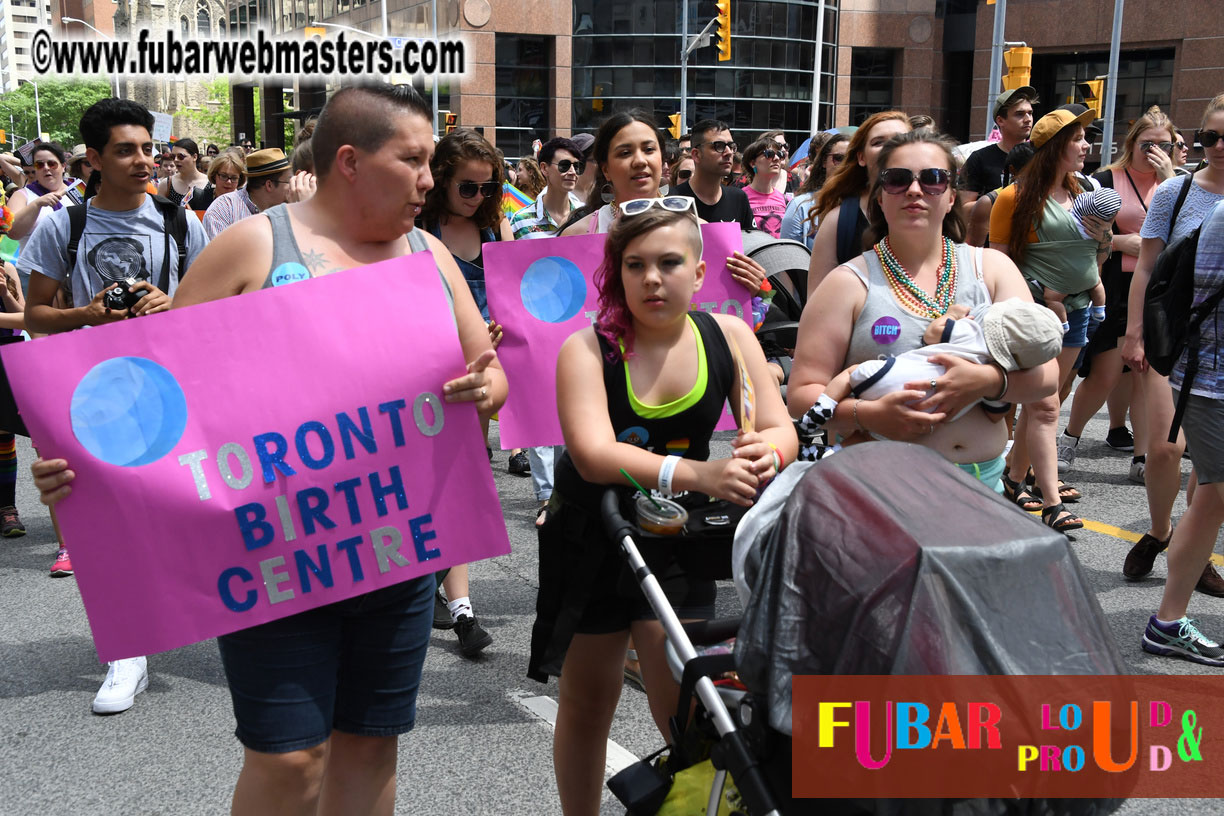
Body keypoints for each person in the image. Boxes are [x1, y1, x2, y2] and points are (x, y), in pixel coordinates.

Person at [35, 83, 507, 814]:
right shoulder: (255, 244)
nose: (429, 179)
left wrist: (484, 389)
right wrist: (81, 465)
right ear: (350, 161)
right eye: (414, 160)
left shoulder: (429, 254)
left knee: (371, 745)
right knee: (289, 759)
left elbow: (490, 372)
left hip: (398, 549)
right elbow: (158, 391)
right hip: (275, 558)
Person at [531, 199, 797, 815]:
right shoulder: (586, 349)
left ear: (699, 273)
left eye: (670, 263)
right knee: (588, 700)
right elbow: (593, 455)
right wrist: (700, 473)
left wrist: (767, 456)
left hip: (678, 538)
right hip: (594, 536)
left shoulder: (729, 335)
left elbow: (779, 427)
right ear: (617, 273)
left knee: (685, 703)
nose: (652, 279)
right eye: (636, 265)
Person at [21, 98, 208, 716]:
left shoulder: (180, 222)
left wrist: (172, 304)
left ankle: (214, 612)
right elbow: (35, 315)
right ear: (95, 159)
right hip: (96, 392)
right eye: (126, 151)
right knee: (110, 519)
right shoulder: (64, 226)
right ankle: (127, 651)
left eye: (148, 148)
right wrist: (88, 314)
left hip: (172, 387)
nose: (143, 161)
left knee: (188, 505)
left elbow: (213, 309)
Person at [788, 129, 1058, 493]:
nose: (914, 190)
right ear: (880, 197)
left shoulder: (992, 268)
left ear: (951, 196)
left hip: (981, 486)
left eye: (932, 179)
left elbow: (1047, 376)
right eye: (897, 179)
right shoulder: (846, 283)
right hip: (880, 486)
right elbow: (802, 394)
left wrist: (988, 381)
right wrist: (870, 415)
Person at [988, 108, 1112, 533]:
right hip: (1036, 316)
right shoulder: (1013, 198)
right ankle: (1051, 501)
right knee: (1044, 405)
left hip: (1079, 311)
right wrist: (1041, 296)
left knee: (1047, 399)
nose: (1086, 145)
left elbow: (1097, 256)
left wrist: (1104, 238)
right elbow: (999, 264)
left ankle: (1013, 477)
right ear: (1055, 147)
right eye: (1077, 138)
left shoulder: (1087, 191)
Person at [1121, 94, 1224, 592]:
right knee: (1165, 448)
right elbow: (1146, 268)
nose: (1219, 146)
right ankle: (1161, 531)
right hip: (1175, 340)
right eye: (1211, 137)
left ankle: (1192, 544)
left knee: (1211, 466)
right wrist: (1135, 333)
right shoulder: (1175, 192)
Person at [418, 127, 513, 656]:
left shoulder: (495, 231)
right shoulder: (417, 229)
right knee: (431, 484)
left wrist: (497, 327)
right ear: (441, 182)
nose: (479, 197)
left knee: (463, 482)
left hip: (478, 374)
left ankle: (459, 607)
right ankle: (444, 595)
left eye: (488, 187)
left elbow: (515, 299)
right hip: (423, 374)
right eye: (468, 187)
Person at [1057, 108, 1179, 488]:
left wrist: (1169, 179)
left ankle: (1141, 458)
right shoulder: (1106, 180)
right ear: (1132, 143)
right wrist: (1124, 242)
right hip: (1113, 286)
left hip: (1158, 290)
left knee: (1145, 374)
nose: (1155, 151)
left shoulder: (1177, 185)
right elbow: (1081, 234)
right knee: (1106, 373)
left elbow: (1186, 233)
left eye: (1164, 145)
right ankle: (1069, 438)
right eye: (1147, 144)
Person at [1139, 200, 1224, 665]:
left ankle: (1168, 623)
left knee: (1211, 497)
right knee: (1215, 495)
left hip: (1209, 379)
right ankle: (1167, 623)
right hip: (1211, 382)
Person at [798, 298, 1062, 446]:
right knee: (867, 436)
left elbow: (933, 333)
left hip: (888, 380)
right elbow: (995, 416)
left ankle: (822, 410)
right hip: (924, 421)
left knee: (853, 374)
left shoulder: (970, 328)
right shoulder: (1004, 363)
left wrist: (952, 314)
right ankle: (830, 450)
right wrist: (995, 383)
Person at [807, 111, 912, 295]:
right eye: (878, 142)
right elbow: (817, 300)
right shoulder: (839, 221)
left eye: (899, 140)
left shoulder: (933, 210)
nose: (890, 147)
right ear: (861, 157)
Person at [669, 119, 755, 232]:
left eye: (731, 146)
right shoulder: (671, 201)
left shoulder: (738, 198)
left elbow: (751, 240)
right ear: (696, 154)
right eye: (719, 146)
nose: (729, 152)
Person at [960, 87, 1038, 206]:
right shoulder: (979, 159)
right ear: (1000, 120)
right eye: (1019, 114)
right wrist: (999, 201)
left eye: (1030, 113)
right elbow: (963, 208)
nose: (1028, 119)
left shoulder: (1041, 155)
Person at [202, 148, 292, 239]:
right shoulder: (222, 210)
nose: (292, 186)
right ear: (269, 185)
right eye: (288, 181)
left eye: (234, 178)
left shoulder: (290, 211)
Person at [780, 132, 848, 249]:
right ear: (824, 161)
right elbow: (789, 255)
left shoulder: (867, 206)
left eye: (852, 159)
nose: (846, 164)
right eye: (839, 158)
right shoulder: (800, 207)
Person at [8, 143, 83, 247]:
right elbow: (12, 232)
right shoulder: (21, 195)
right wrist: (36, 204)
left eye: (52, 164)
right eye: (39, 165)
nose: (46, 168)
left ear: (63, 166)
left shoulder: (79, 190)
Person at [509, 137, 585, 239]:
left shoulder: (587, 216)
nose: (572, 172)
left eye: (576, 166)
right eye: (564, 165)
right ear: (544, 168)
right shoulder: (520, 221)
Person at [742, 137, 791, 237]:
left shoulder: (786, 201)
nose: (776, 158)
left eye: (779, 154)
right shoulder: (740, 198)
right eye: (769, 154)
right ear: (753, 163)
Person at [157, 138, 209, 209]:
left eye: (181, 156)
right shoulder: (166, 184)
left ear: (194, 157)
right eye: (173, 156)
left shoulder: (210, 184)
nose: (176, 160)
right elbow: (159, 212)